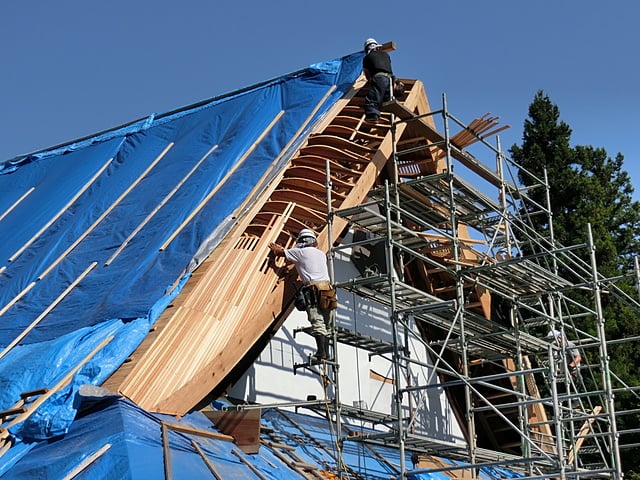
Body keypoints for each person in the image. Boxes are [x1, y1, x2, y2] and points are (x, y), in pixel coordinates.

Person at [268, 228, 337, 361]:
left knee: (317, 320)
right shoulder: (321, 254)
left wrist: (275, 247)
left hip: (314, 289)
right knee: (328, 323)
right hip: (327, 289)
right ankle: (326, 353)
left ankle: (321, 353)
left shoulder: (300, 252)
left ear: (301, 241)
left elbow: (278, 252)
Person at [362, 37, 394, 123]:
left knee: (372, 98)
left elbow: (367, 74)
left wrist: (370, 81)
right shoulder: (385, 55)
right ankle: (390, 118)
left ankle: (372, 116)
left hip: (379, 78)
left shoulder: (367, 58)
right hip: (390, 80)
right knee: (387, 100)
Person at [547, 329, 582, 407]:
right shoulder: (556, 348)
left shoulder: (569, 345)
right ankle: (563, 406)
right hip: (563, 373)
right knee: (560, 390)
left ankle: (575, 404)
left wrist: (570, 366)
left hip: (573, 372)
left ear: (559, 337)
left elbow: (578, 357)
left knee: (572, 389)